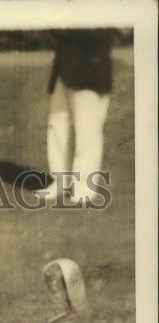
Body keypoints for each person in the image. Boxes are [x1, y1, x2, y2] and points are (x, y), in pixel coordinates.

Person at [39, 29, 114, 205]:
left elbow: (96, 34)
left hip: (91, 73)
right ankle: (59, 182)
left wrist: (61, 24)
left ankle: (84, 189)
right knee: (56, 127)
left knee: (87, 133)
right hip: (65, 70)